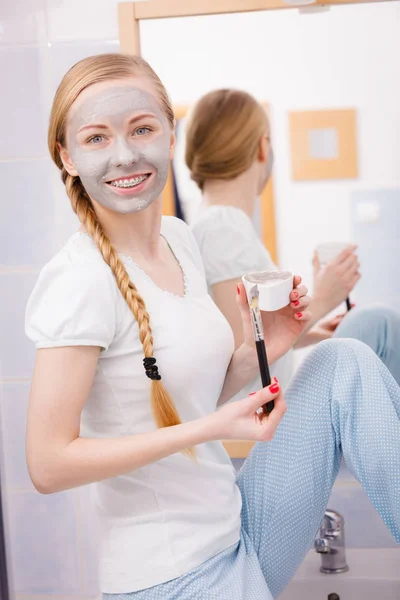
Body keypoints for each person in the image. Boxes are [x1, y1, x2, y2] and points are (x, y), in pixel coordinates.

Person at [25, 55, 400, 600]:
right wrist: (212, 429)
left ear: (170, 134)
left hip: (235, 529)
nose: (125, 154)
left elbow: (190, 397)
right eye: (97, 138)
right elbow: (47, 465)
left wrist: (267, 346)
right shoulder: (79, 278)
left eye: (142, 129)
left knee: (345, 361)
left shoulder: (178, 240)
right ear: (68, 156)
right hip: (174, 580)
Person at [186, 88, 400, 388]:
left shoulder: (213, 226)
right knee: (383, 325)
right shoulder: (224, 228)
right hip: (261, 424)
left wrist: (313, 328)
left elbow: (256, 336)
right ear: (263, 147)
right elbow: (243, 355)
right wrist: (324, 298)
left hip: (264, 412)